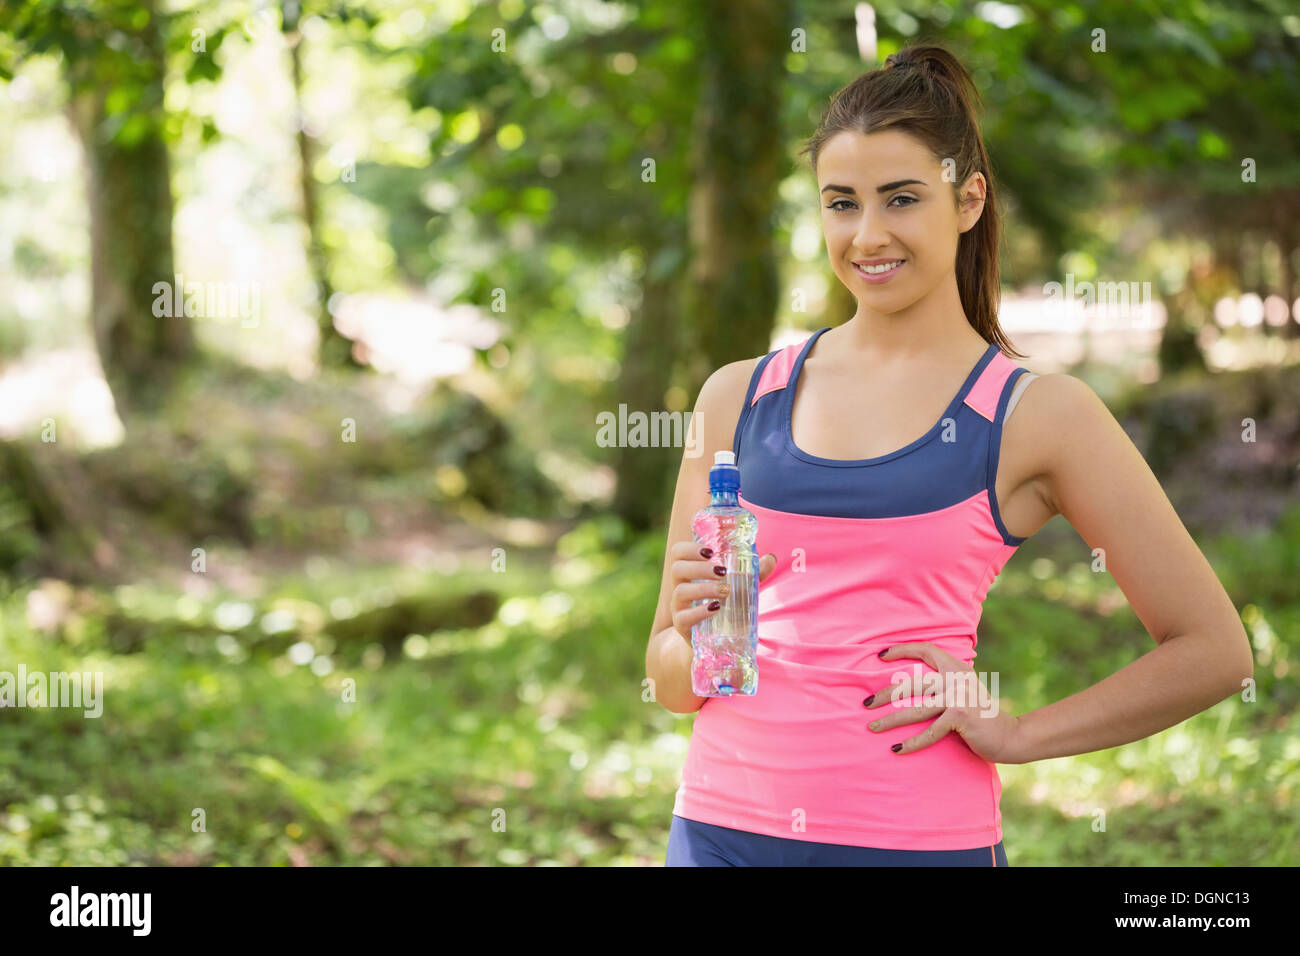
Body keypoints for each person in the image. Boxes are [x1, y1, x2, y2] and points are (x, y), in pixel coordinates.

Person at [645, 43, 1253, 867]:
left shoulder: (1036, 413)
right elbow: (677, 683)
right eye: (841, 203)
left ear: (968, 200)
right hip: (717, 833)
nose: (868, 235)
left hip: (915, 843)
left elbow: (1211, 649)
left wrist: (1023, 733)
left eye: (901, 199)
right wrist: (689, 634)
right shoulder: (737, 397)